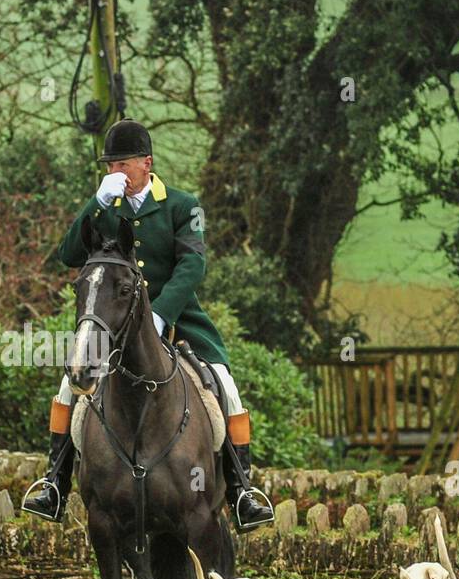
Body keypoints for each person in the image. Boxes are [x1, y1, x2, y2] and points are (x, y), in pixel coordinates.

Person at [21, 118, 273, 531]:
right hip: (115, 327)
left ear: (146, 163)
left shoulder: (183, 205)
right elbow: (69, 255)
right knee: (70, 384)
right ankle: (54, 484)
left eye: (122, 165)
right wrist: (95, 204)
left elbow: (193, 264)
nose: (115, 173)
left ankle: (243, 490)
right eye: (109, 166)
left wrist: (160, 313)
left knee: (224, 384)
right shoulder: (105, 208)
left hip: (178, 322)